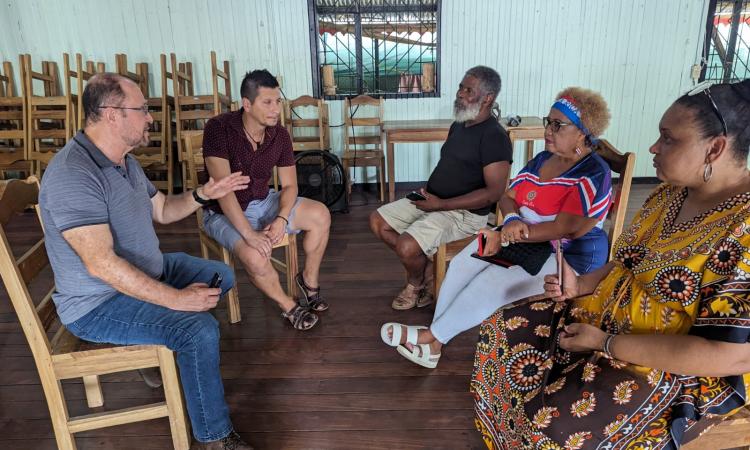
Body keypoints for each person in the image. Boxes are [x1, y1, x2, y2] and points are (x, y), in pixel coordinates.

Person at [471, 80, 750, 449]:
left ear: (714, 148)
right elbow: (625, 264)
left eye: (668, 139)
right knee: (501, 329)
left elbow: (731, 355)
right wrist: (581, 285)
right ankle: (507, 437)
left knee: (553, 424)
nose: (653, 147)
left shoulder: (742, 230)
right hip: (601, 319)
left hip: (667, 361)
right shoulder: (668, 195)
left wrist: (607, 344)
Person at [39, 74, 254, 449]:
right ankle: (215, 439)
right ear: (111, 115)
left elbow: (164, 211)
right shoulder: (74, 174)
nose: (150, 118)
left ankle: (156, 339)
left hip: (145, 270)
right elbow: (101, 264)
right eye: (142, 110)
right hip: (97, 302)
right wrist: (176, 300)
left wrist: (205, 193)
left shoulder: (125, 162)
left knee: (220, 275)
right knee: (197, 329)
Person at [381, 87, 613, 368]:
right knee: (463, 263)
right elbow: (508, 195)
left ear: (582, 132)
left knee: (491, 281)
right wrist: (512, 220)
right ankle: (435, 343)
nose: (548, 130)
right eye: (547, 122)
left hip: (566, 258)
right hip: (523, 239)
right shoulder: (543, 159)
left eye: (557, 125)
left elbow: (566, 229)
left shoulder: (593, 172)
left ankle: (431, 336)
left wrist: (508, 233)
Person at [370, 66, 513, 310]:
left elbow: (494, 193)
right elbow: (452, 165)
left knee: (406, 245)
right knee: (378, 221)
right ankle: (426, 268)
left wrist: (441, 205)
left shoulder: (494, 137)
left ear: (488, 98)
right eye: (460, 87)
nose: (460, 93)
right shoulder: (459, 124)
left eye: (469, 90)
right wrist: (431, 192)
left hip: (463, 214)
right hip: (435, 199)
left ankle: (416, 285)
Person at [201, 69, 332, 331]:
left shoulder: (279, 134)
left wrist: (282, 217)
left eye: (278, 102)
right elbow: (224, 192)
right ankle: (289, 306)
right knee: (254, 254)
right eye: (267, 102)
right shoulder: (218, 129)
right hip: (224, 211)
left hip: (264, 200)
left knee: (321, 214)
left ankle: (308, 281)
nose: (275, 109)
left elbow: (290, 185)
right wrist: (250, 234)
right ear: (247, 104)